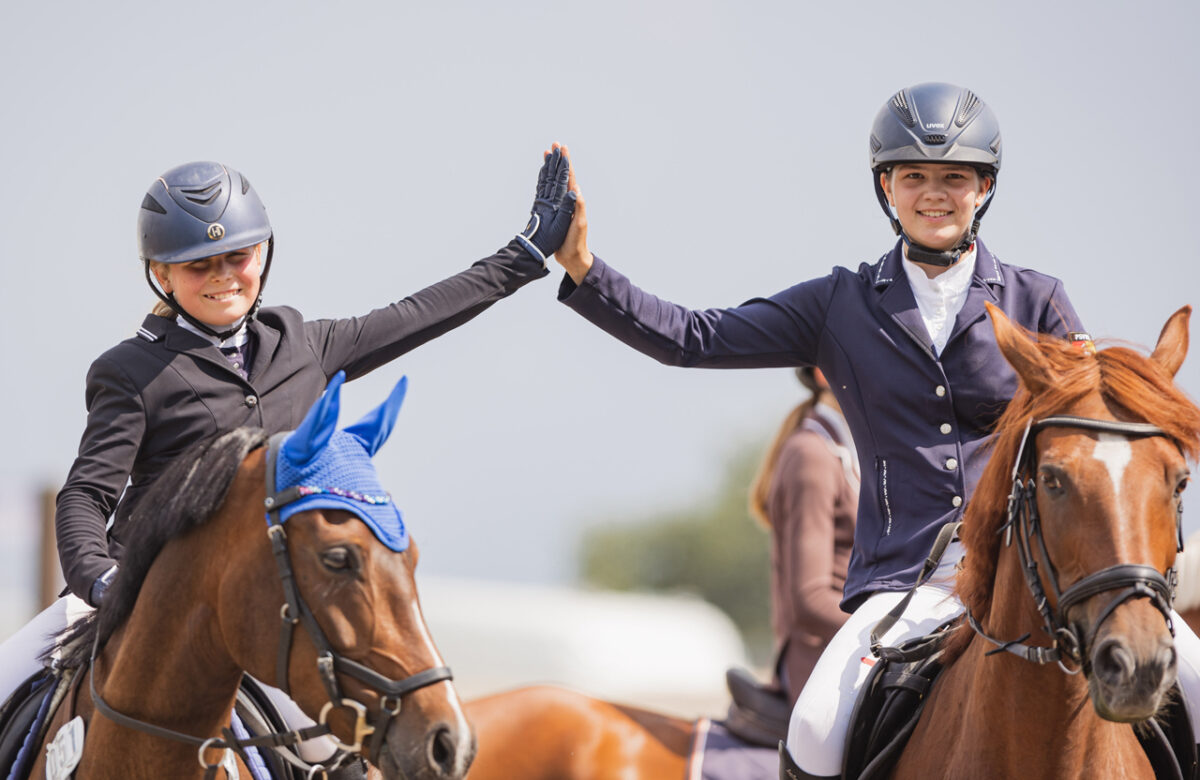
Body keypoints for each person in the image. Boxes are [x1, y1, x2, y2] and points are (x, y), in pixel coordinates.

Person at [549, 83, 1200, 778]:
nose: (934, 194)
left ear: (983, 188)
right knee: (817, 725)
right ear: (886, 188)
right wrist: (585, 269)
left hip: (1028, 574)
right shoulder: (840, 304)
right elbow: (693, 338)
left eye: (954, 177)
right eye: (913, 176)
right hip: (901, 586)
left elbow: (1088, 426)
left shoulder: (1037, 298)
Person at [0, 150, 575, 769]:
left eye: (237, 257)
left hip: (255, 605)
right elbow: (86, 495)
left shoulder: (300, 343)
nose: (224, 276)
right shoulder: (132, 372)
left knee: (351, 757)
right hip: (131, 598)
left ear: (264, 254)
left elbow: (418, 314)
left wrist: (528, 252)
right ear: (161, 274)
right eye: (199, 265)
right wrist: (102, 582)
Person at [748, 367, 857, 705]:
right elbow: (809, 600)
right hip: (822, 660)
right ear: (825, 372)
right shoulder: (812, 455)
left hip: (860, 648)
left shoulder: (853, 450)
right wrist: (898, 637)